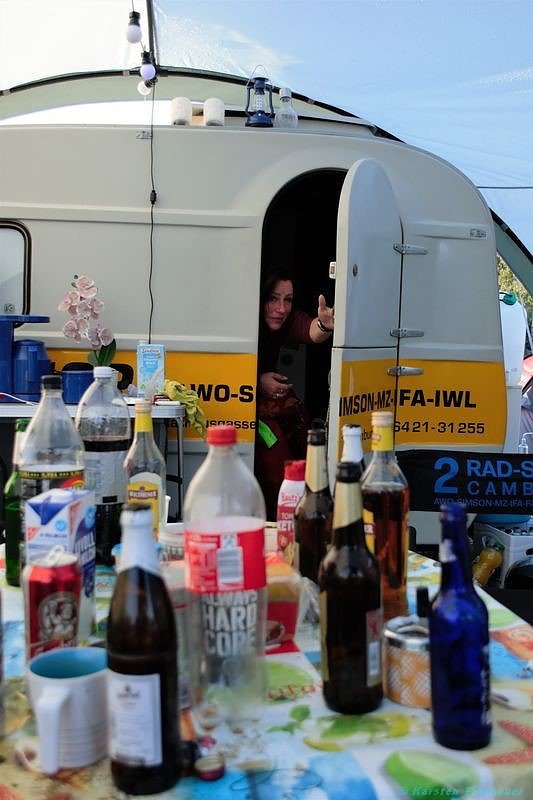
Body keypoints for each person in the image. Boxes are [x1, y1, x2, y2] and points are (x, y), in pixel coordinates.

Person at [255, 267, 334, 519]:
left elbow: (310, 330)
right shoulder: (245, 319)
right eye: (273, 299)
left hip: (270, 412)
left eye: (288, 300)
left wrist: (324, 323)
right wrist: (258, 380)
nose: (281, 308)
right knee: (275, 459)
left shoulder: (284, 319)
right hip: (251, 415)